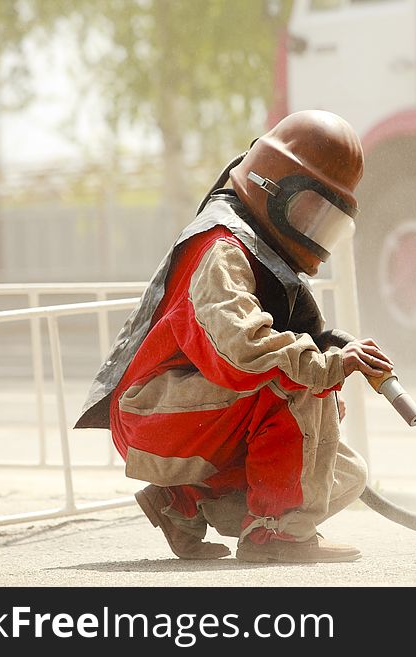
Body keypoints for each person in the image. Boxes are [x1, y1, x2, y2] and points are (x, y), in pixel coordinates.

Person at [74, 110, 393, 563]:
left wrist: (325, 366)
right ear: (270, 186)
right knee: (300, 382)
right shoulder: (222, 248)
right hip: (150, 413)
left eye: (325, 220)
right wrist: (330, 366)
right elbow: (244, 351)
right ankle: (275, 534)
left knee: (341, 473)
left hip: (193, 414)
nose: (312, 230)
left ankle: (183, 501)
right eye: (306, 212)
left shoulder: (260, 250)